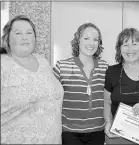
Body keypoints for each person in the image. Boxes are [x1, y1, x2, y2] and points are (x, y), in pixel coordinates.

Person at [1, 15, 64, 144]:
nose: (24, 37)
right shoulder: (3, 65)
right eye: (18, 33)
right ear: (7, 38)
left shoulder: (43, 61)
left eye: (29, 33)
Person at [53, 23, 109, 145]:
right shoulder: (62, 66)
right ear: (78, 40)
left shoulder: (105, 67)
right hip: (70, 132)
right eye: (86, 38)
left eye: (96, 39)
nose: (91, 43)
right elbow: (49, 98)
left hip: (98, 131)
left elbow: (110, 98)